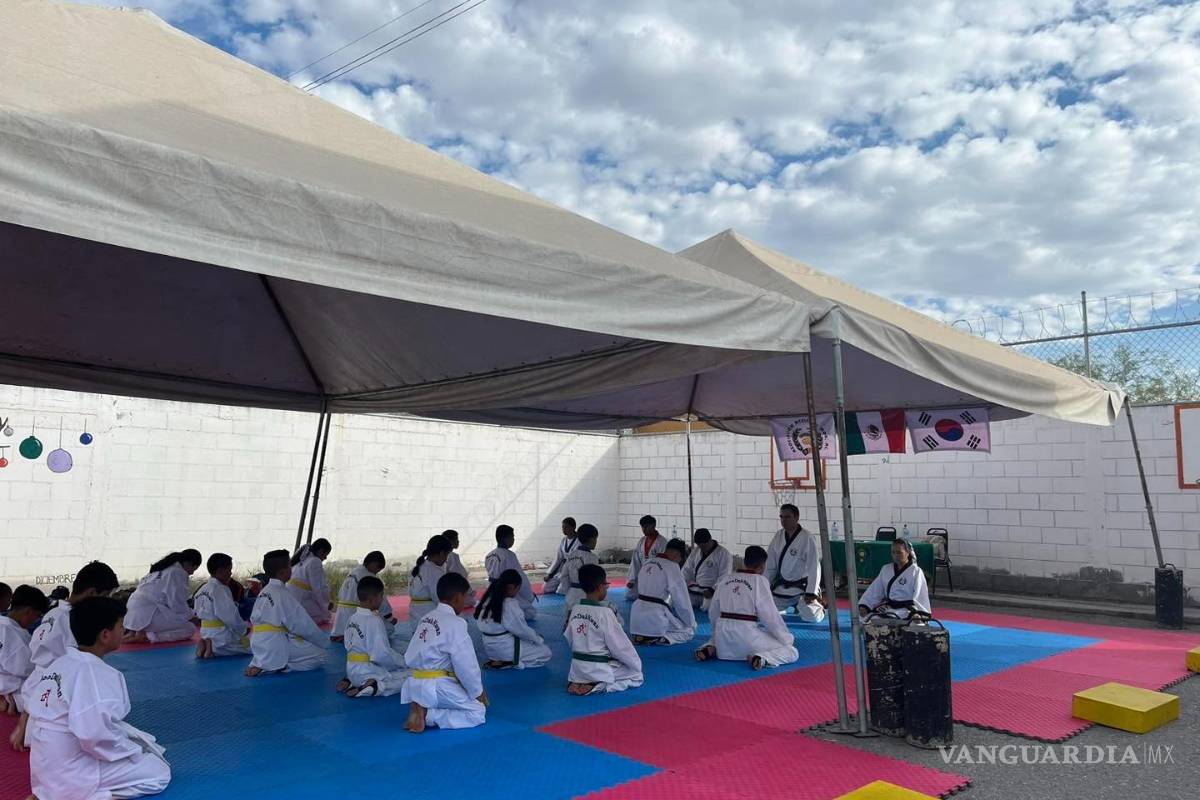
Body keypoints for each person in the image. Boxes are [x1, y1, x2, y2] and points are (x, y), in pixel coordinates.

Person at [20, 596, 171, 799]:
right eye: (120, 626)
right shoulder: (95, 673)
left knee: (139, 743)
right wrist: (130, 752)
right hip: (73, 769)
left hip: (44, 765)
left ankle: (55, 792)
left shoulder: (61, 662)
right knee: (158, 772)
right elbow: (94, 735)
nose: (123, 631)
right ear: (105, 635)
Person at [402, 572, 488, 733]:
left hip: (415, 682)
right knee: (477, 712)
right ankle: (428, 714)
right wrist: (477, 691)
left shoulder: (426, 618)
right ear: (457, 598)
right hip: (436, 686)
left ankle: (422, 705)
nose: (465, 602)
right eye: (465, 597)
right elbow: (466, 665)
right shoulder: (456, 623)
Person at [695, 546, 798, 670]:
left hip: (723, 641)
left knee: (719, 638)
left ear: (744, 562)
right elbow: (770, 616)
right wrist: (786, 638)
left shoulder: (725, 579)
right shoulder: (760, 581)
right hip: (747, 640)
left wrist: (716, 633)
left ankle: (711, 648)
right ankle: (761, 658)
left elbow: (713, 611)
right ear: (762, 566)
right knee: (791, 652)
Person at [246, 549, 329, 676]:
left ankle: (267, 663)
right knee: (320, 655)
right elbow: (302, 625)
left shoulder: (264, 591)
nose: (292, 569)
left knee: (296, 639)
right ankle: (279, 666)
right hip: (275, 644)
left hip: (258, 642)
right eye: (290, 566)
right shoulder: (282, 594)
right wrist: (323, 641)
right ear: (283, 572)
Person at [565, 564, 642, 695]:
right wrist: (635, 663)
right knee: (636, 675)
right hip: (597, 668)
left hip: (577, 668)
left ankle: (580, 681)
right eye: (606, 586)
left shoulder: (574, 609)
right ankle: (599, 686)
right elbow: (620, 646)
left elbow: (569, 638)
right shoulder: (605, 613)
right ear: (600, 587)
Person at [30, 561, 120, 669]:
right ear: (91, 593)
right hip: (61, 677)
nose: (106, 602)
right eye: (105, 596)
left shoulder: (53, 613)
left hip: (41, 677)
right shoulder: (75, 620)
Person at [339, 576, 410, 698]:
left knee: (396, 669)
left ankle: (353, 682)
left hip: (351, 670)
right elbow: (381, 654)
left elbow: (348, 646)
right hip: (367, 672)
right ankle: (375, 687)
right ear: (374, 598)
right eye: (381, 596)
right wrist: (403, 662)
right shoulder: (374, 621)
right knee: (412, 676)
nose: (382, 600)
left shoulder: (352, 618)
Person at [474, 569, 551, 670]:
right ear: (515, 587)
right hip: (506, 649)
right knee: (545, 652)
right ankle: (512, 663)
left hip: (490, 649)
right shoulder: (509, 604)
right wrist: (538, 639)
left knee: (527, 639)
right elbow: (521, 630)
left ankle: (501, 660)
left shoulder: (488, 599)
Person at [122, 549, 202, 644]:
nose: (192, 573)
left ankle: (134, 632)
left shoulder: (161, 568)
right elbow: (176, 603)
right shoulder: (177, 572)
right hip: (148, 614)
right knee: (189, 628)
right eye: (193, 569)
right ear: (189, 563)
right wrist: (192, 617)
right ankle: (147, 636)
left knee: (177, 618)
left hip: (133, 612)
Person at [765, 504, 825, 622]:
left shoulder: (807, 537)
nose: (784, 521)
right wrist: (764, 585)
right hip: (783, 587)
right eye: (781, 517)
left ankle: (818, 608)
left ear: (797, 517)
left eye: (787, 517)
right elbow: (770, 565)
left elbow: (814, 566)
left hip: (802, 588)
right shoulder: (778, 536)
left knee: (812, 616)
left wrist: (811, 592)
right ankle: (789, 607)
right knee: (764, 610)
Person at [630, 538, 696, 645]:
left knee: (670, 619)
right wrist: (691, 622)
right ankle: (660, 638)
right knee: (689, 631)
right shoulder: (672, 566)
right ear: (676, 554)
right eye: (680, 559)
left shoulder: (647, 562)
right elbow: (682, 600)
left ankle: (643, 634)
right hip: (655, 615)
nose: (679, 563)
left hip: (636, 615)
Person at [0, 585, 49, 714]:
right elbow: (30, 669)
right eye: (36, 616)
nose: (34, 621)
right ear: (28, 612)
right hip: (11, 699)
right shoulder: (16, 636)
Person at [332, 551, 398, 643]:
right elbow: (380, 600)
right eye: (378, 569)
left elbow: (340, 593)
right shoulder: (368, 577)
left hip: (342, 615)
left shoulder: (354, 572)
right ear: (374, 564)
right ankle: (350, 636)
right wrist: (389, 618)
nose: (376, 572)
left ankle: (342, 634)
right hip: (355, 612)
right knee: (388, 629)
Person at [193, 553, 250, 659]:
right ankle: (213, 649)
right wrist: (244, 629)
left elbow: (196, 611)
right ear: (220, 570)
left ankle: (207, 646)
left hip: (205, 633)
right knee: (251, 648)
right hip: (221, 637)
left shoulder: (201, 589)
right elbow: (231, 617)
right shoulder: (221, 589)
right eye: (229, 570)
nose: (231, 573)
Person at [858, 539, 932, 620]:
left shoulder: (916, 571)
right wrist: (865, 605)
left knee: (915, 625)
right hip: (889, 608)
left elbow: (920, 595)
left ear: (908, 553)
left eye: (899, 552)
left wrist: (919, 613)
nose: (896, 555)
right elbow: (875, 590)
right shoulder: (886, 569)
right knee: (869, 619)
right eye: (893, 552)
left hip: (907, 610)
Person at [484, 525, 537, 621]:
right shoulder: (509, 555)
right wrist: (529, 595)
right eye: (512, 537)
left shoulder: (489, 555)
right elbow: (520, 578)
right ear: (506, 538)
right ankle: (508, 617)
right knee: (530, 612)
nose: (513, 539)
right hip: (506, 591)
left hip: (491, 591)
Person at [681, 528, 733, 611]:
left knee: (708, 608)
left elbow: (725, 576)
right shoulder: (696, 551)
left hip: (712, 593)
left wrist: (712, 590)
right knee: (681, 601)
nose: (702, 548)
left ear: (710, 540)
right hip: (696, 590)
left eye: (704, 546)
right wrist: (680, 582)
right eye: (700, 546)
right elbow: (687, 570)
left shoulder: (723, 554)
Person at [408, 534, 452, 627]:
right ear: (441, 553)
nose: (446, 560)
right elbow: (438, 597)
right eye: (447, 555)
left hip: (415, 611)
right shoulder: (433, 571)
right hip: (428, 612)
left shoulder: (418, 567)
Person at [288, 538, 333, 624]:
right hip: (300, 601)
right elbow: (319, 589)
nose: (325, 557)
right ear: (321, 551)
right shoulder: (315, 561)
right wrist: (327, 604)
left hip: (291, 603)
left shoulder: (301, 561)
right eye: (325, 554)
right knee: (325, 616)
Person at [626, 515, 667, 601]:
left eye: (646, 527)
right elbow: (635, 561)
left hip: (656, 576)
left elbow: (663, 564)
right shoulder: (641, 541)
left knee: (653, 597)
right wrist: (632, 580)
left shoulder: (662, 542)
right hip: (643, 574)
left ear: (653, 526)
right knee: (630, 595)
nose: (644, 529)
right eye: (642, 527)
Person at [562, 524, 601, 614]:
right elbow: (595, 579)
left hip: (571, 594)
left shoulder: (571, 555)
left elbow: (564, 576)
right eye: (596, 539)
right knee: (585, 620)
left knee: (570, 620)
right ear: (592, 539)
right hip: (586, 594)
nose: (596, 542)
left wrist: (568, 591)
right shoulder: (592, 557)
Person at [542, 517, 579, 595]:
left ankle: (567, 585)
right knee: (545, 588)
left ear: (573, 527)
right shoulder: (563, 540)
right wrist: (550, 574)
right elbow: (558, 559)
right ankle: (561, 584)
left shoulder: (579, 541)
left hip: (572, 571)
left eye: (566, 527)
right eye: (562, 527)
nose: (563, 529)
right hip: (561, 570)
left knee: (561, 592)